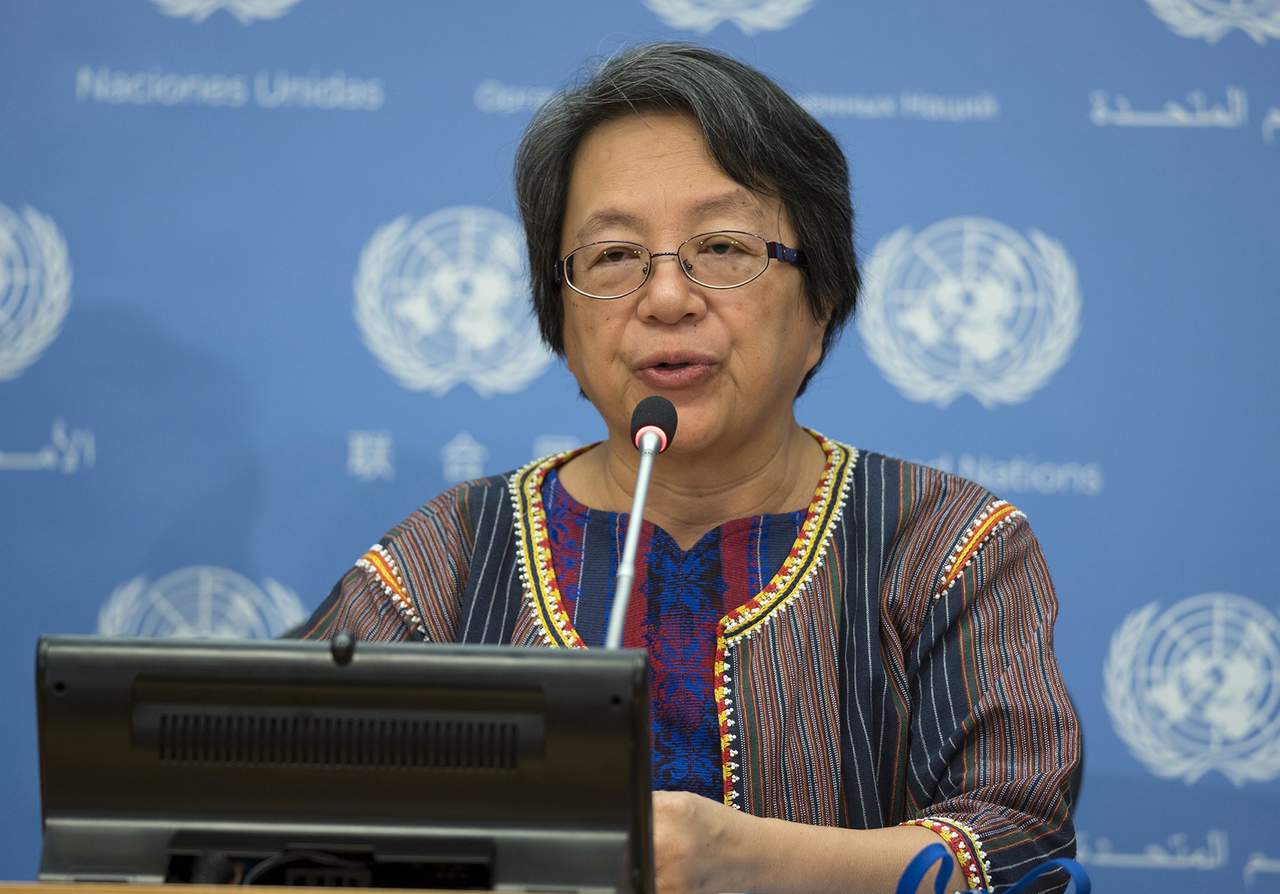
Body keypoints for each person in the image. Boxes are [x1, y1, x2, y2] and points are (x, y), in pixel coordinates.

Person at [297, 43, 1080, 894]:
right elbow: (271, 799)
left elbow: (1021, 844)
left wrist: (747, 863)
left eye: (722, 247)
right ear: (560, 323)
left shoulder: (942, 545)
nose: (667, 298)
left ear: (821, 304)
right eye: (613, 257)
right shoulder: (453, 555)